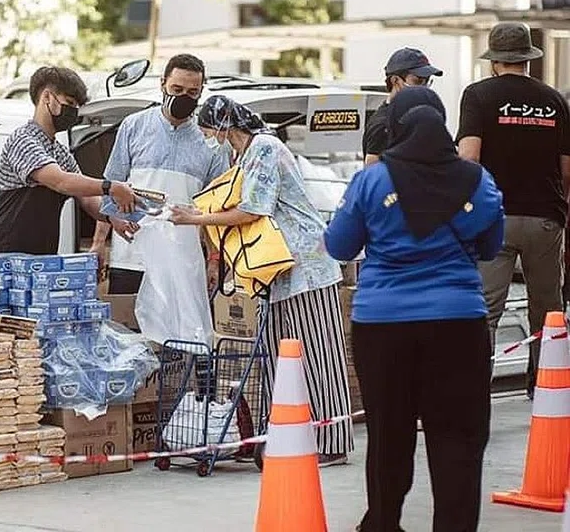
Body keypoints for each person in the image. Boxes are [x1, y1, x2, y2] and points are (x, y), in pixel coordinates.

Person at [325, 87, 504, 532]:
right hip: (458, 322)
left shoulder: (371, 180)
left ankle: (383, 523)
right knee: (459, 438)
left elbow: (339, 244)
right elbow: (491, 247)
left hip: (383, 324)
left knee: (388, 433)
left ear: (396, 126)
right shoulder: (477, 181)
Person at [169, 102, 353, 466]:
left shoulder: (265, 148)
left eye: (208, 132)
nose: (208, 140)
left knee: (318, 355)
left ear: (222, 126)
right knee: (276, 359)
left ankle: (332, 442)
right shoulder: (244, 157)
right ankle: (281, 437)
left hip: (307, 267)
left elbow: (253, 209)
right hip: (275, 272)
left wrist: (196, 219)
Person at [457, 21, 570, 398]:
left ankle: (474, 390)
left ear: (494, 61)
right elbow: (566, 169)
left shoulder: (478, 96)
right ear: (528, 60)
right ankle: (546, 386)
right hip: (545, 219)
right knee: (548, 309)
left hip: (494, 218)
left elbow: (469, 157)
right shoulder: (555, 101)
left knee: (487, 309)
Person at [0, 66, 136, 277]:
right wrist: (111, 187)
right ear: (47, 98)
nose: (74, 112)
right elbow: (59, 181)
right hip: (4, 253)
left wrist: (114, 218)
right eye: (69, 104)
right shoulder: (23, 140)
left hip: (40, 256)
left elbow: (87, 199)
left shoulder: (59, 151)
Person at [92, 54, 229, 295]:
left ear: (201, 92)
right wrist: (99, 242)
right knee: (126, 330)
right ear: (162, 84)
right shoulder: (133, 126)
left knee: (180, 332)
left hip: (182, 261)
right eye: (177, 89)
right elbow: (109, 187)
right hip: (131, 257)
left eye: (192, 92)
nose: (184, 97)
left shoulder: (212, 142)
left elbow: (217, 209)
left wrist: (214, 260)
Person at [363, 48, 443, 165]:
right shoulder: (383, 125)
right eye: (418, 81)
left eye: (427, 81)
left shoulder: (417, 117)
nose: (424, 87)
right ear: (395, 81)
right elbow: (373, 171)